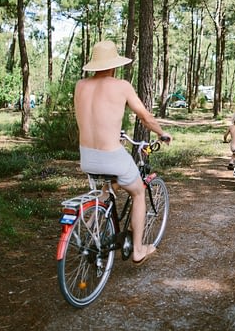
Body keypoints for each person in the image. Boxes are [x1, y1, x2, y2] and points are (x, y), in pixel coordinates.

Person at [74, 40, 172, 266]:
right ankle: (137, 250)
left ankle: (95, 217)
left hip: (87, 156)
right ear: (113, 65)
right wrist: (161, 133)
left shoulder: (80, 85)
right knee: (138, 192)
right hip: (111, 156)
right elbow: (145, 117)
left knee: (111, 183)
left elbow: (85, 117)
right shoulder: (122, 85)